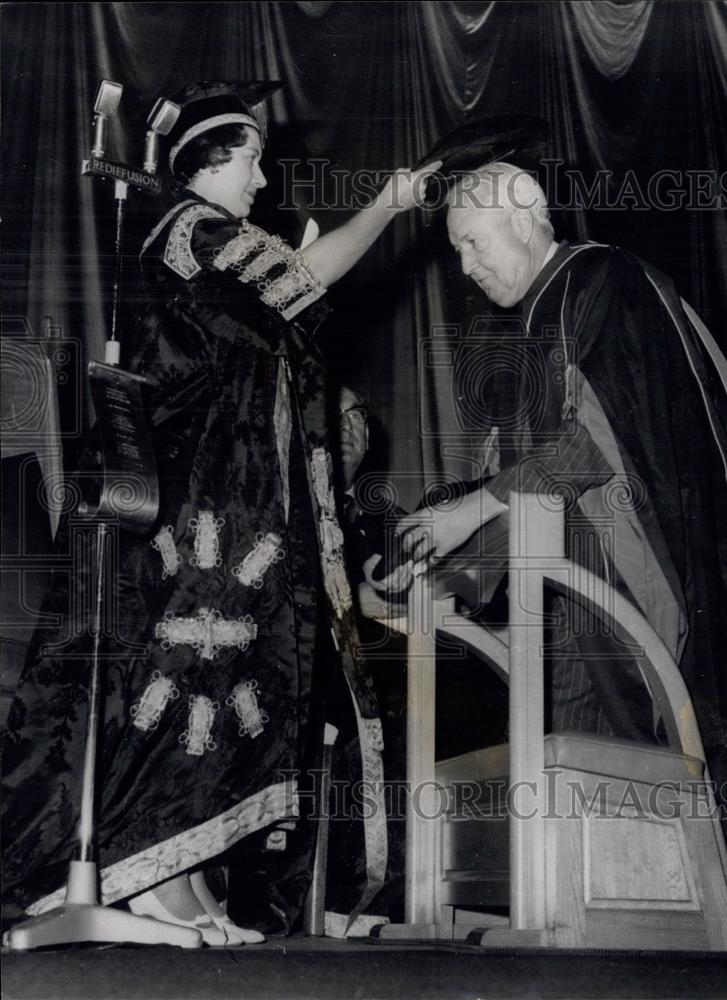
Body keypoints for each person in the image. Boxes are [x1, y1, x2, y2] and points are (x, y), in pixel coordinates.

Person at [1, 81, 439, 946]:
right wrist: (389, 202)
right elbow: (303, 277)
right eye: (249, 161)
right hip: (188, 497)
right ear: (202, 165)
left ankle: (187, 883)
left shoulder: (205, 238)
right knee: (193, 672)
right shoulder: (191, 230)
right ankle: (153, 883)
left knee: (218, 673)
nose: (262, 179)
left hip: (221, 494)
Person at [397, 122, 727, 801]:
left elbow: (597, 443)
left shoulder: (606, 281)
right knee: (579, 769)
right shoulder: (529, 319)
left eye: (470, 241)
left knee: (646, 762)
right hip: (571, 592)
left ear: (522, 216)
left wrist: (473, 514)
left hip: (636, 582)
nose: (465, 266)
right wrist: (438, 546)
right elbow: (521, 472)